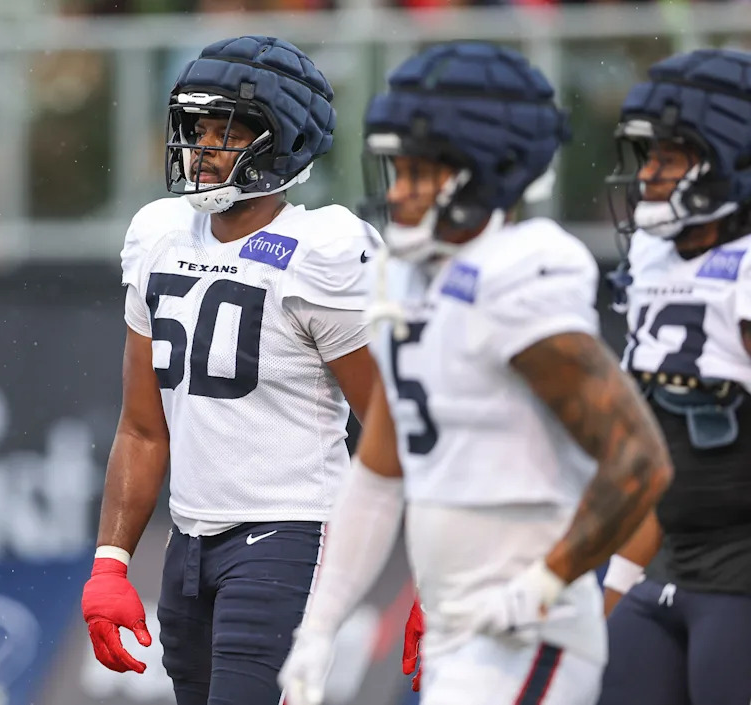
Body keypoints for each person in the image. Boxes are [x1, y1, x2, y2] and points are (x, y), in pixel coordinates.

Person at [278, 41, 673, 705]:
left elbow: (638, 462)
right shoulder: (402, 274)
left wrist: (543, 584)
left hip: (529, 632)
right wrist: (318, 626)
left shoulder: (524, 269)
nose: (396, 191)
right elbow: (379, 472)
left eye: (416, 172)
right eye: (393, 169)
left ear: (483, 170)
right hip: (453, 626)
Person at [80, 35, 381, 705]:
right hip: (187, 543)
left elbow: (392, 425)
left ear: (283, 141)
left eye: (228, 128)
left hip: (290, 535)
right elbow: (141, 427)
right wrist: (110, 561)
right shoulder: (158, 235)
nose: (204, 145)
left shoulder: (319, 249)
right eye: (198, 126)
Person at [597, 47, 751, 705]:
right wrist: (607, 587)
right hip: (662, 565)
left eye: (668, 158)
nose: (648, 176)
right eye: (648, 157)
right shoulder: (657, 264)